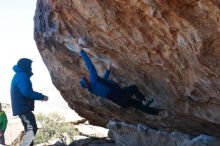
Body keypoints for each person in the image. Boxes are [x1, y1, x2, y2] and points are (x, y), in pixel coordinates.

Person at [74, 41, 160, 115]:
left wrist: (108, 70)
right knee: (133, 88)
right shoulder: (93, 80)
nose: (87, 77)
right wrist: (81, 51)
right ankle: (144, 101)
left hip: (120, 102)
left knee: (136, 104)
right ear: (87, 81)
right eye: (86, 78)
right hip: (121, 96)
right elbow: (90, 65)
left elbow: (104, 82)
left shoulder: (93, 88)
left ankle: (155, 112)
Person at [10, 58, 49, 146]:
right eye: (30, 66)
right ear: (25, 66)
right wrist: (41, 96)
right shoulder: (22, 76)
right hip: (23, 108)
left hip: (22, 107)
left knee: (29, 129)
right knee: (32, 129)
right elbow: (26, 92)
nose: (31, 69)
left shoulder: (19, 75)